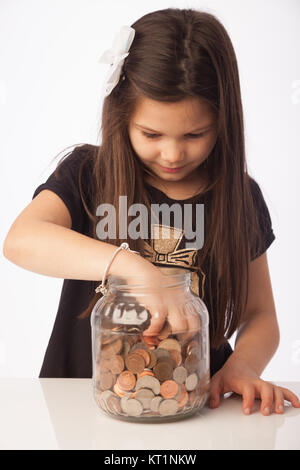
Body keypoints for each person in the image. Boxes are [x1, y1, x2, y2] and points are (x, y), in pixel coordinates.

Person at [3, 7, 300, 416]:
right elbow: (21, 240)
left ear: (224, 120)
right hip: (80, 402)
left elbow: (261, 315)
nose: (174, 153)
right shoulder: (87, 174)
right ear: (123, 117)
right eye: (151, 134)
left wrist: (243, 364)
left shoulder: (240, 197)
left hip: (197, 403)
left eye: (196, 134)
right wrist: (138, 269)